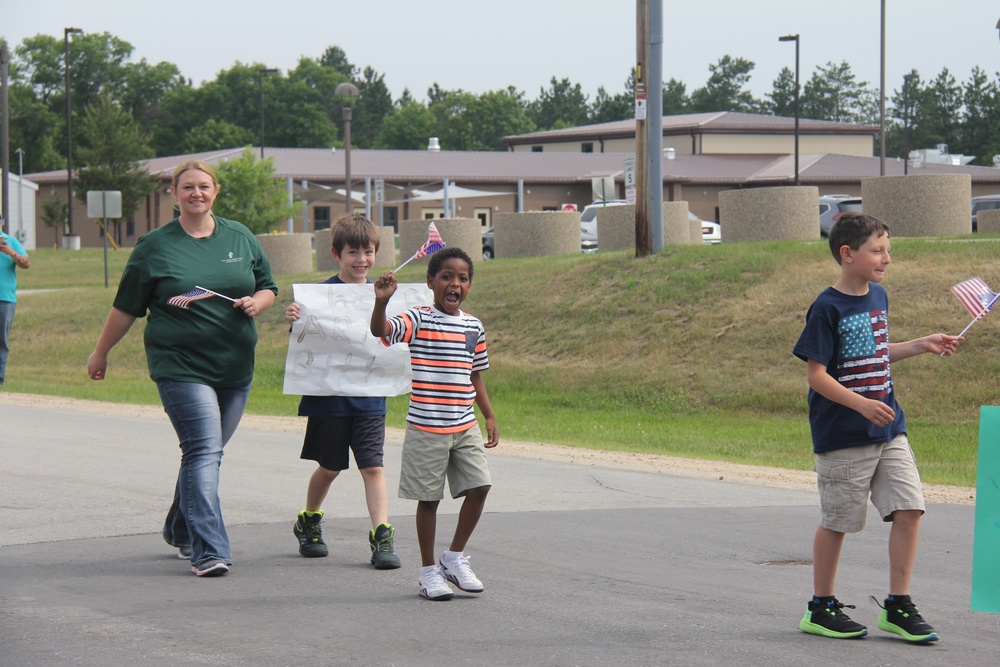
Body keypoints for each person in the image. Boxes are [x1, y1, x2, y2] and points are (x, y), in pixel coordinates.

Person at [87, 160, 277, 578]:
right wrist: (100, 353)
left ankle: (179, 527)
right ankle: (208, 550)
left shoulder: (240, 236)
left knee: (203, 453)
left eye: (204, 187)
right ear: (173, 194)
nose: (196, 193)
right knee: (205, 451)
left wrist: (257, 302)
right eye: (187, 187)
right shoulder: (154, 246)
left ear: (216, 191)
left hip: (234, 366)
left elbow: (268, 285)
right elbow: (126, 307)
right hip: (180, 365)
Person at [793, 213, 960, 642]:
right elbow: (817, 374)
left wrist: (921, 344)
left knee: (909, 507)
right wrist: (861, 405)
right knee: (839, 520)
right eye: (877, 250)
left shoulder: (878, 296)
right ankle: (821, 607)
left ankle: (898, 605)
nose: (887, 258)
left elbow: (875, 353)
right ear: (848, 254)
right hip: (844, 435)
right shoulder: (827, 307)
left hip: (889, 428)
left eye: (888, 249)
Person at [370, 247, 499, 601]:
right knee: (429, 500)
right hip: (427, 426)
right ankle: (429, 572)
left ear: (469, 285)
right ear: (431, 282)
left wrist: (488, 414)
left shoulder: (474, 325)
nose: (454, 283)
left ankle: (453, 558)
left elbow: (475, 375)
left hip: (464, 424)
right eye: (446, 277)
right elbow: (381, 331)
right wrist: (382, 302)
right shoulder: (419, 318)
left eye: (462, 278)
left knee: (480, 487)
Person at [284, 213, 400, 569]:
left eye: (367, 252)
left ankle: (382, 536)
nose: (360, 260)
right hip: (328, 397)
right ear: (336, 254)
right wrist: (295, 320)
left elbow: (395, 336)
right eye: (352, 252)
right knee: (330, 468)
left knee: (373, 467)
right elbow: (306, 343)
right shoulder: (319, 295)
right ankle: (309, 521)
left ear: (377, 253)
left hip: (370, 398)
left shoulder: (386, 294)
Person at [0, 228, 31, 388]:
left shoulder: (11, 242)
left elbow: (26, 263)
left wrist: (9, 251)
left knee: (1, 340)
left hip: (6, 299)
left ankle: (0, 377)